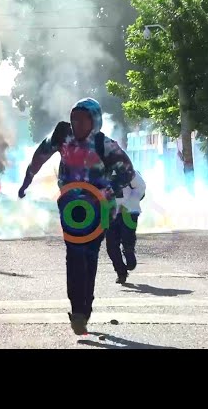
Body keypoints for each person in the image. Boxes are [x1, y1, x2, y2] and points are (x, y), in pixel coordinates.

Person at [18, 98, 135, 335]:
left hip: (100, 209)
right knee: (74, 256)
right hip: (71, 208)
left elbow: (127, 171)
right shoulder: (63, 137)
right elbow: (40, 155)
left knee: (89, 256)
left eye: (83, 118)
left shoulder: (104, 144)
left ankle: (85, 307)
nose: (77, 123)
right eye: (74, 118)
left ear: (94, 120)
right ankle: (77, 311)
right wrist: (27, 180)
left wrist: (107, 191)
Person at [106, 170, 146, 284]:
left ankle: (129, 253)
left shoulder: (128, 170)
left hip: (129, 210)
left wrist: (129, 203)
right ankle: (121, 272)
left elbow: (141, 187)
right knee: (111, 246)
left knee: (127, 239)